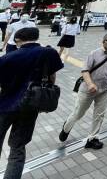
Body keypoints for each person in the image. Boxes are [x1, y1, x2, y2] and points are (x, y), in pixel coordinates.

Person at [0, 27, 63, 178]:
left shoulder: (7, 58)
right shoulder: (49, 53)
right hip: (31, 106)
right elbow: (52, 77)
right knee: (17, 148)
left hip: (6, 105)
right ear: (36, 37)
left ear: (17, 40)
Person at [59, 33, 107, 149]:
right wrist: (90, 84)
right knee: (78, 113)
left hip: (105, 89)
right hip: (88, 89)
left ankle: (93, 138)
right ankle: (66, 127)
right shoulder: (94, 53)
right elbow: (85, 70)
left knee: (100, 114)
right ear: (104, 41)